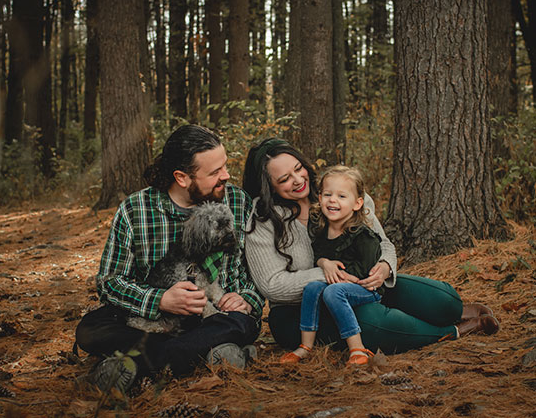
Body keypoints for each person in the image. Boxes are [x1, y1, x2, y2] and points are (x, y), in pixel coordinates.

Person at [243, 138, 499, 356]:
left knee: (445, 300)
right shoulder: (262, 221)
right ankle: (450, 331)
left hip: (365, 285)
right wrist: (329, 273)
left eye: (299, 168)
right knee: (374, 324)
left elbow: (382, 242)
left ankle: (454, 313)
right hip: (300, 310)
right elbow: (271, 285)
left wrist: (385, 266)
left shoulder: (335, 193)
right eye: (285, 179)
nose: (298, 179)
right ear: (269, 187)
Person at [75, 125, 264, 393]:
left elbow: (257, 274)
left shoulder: (237, 201)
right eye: (214, 172)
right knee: (90, 328)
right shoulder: (135, 210)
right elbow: (109, 283)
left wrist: (245, 297)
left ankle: (136, 365)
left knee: (241, 322)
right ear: (182, 177)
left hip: (216, 316)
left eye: (225, 166)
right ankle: (209, 354)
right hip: (154, 321)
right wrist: (160, 300)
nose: (226, 176)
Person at [280, 165, 384, 366]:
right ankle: (305, 346)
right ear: (319, 198)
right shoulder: (321, 228)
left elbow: (366, 269)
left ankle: (357, 348)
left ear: (357, 203)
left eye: (342, 196)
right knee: (312, 287)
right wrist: (324, 262)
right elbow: (318, 253)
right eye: (328, 194)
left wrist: (344, 276)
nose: (333, 200)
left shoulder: (363, 236)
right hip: (338, 284)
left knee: (333, 292)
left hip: (367, 288)